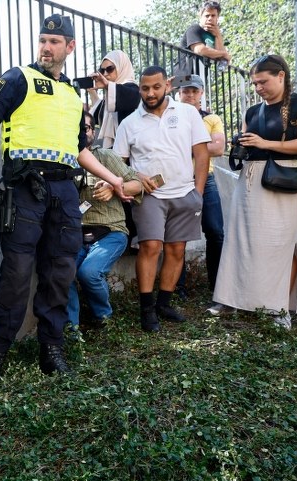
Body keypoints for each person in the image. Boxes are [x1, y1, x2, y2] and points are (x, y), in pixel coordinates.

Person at [0, 14, 127, 383]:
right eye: (42, 40)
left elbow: (80, 150)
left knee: (59, 272)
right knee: (17, 273)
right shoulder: (18, 78)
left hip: (64, 192)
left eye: (54, 42)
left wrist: (114, 178)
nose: (46, 47)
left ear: (69, 47)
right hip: (25, 189)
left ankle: (51, 348)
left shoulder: (72, 96)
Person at [210, 54, 297, 329]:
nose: (258, 88)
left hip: (282, 179)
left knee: (280, 244)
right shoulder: (253, 112)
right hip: (249, 179)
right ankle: (235, 299)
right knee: (241, 242)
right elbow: (251, 145)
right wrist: (242, 144)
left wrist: (266, 142)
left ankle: (278, 308)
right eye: (255, 84)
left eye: (263, 82)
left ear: (281, 76)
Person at [112, 66, 210, 332]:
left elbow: (202, 154)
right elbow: (117, 162)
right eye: (145, 88)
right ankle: (146, 309)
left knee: (176, 250)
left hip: (184, 193)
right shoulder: (129, 123)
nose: (150, 93)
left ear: (167, 85)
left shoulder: (188, 113)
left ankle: (164, 304)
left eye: (156, 87)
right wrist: (134, 174)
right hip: (149, 196)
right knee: (150, 248)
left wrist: (198, 192)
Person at [67, 111, 143, 338]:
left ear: (93, 132)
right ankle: (71, 328)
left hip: (110, 231)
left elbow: (137, 184)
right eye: (77, 128)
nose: (82, 132)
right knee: (64, 273)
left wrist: (113, 187)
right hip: (75, 234)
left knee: (89, 273)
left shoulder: (106, 157)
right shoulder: (62, 158)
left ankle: (104, 319)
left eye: (87, 128)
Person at [174, 73, 226, 295]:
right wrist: (202, 146)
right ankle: (178, 286)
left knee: (215, 231)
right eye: (186, 91)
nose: (190, 95)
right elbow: (208, 147)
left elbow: (219, 148)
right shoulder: (171, 118)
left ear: (201, 93)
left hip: (208, 179)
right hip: (179, 180)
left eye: (194, 91)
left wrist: (186, 146)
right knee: (179, 235)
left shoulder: (211, 118)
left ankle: (218, 285)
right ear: (179, 93)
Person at [88, 50, 140, 148]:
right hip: (116, 150)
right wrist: (91, 90)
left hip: (132, 150)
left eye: (110, 69)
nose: (105, 73)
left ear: (122, 66)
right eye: (102, 70)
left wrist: (107, 85)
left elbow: (127, 98)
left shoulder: (133, 89)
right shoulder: (111, 95)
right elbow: (98, 115)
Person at [179, 1, 231, 74]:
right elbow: (200, 50)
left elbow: (221, 58)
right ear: (201, 16)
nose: (210, 18)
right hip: (184, 77)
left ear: (217, 17)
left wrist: (218, 35)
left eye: (213, 16)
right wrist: (224, 54)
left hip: (200, 78)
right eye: (207, 16)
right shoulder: (194, 29)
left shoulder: (214, 34)